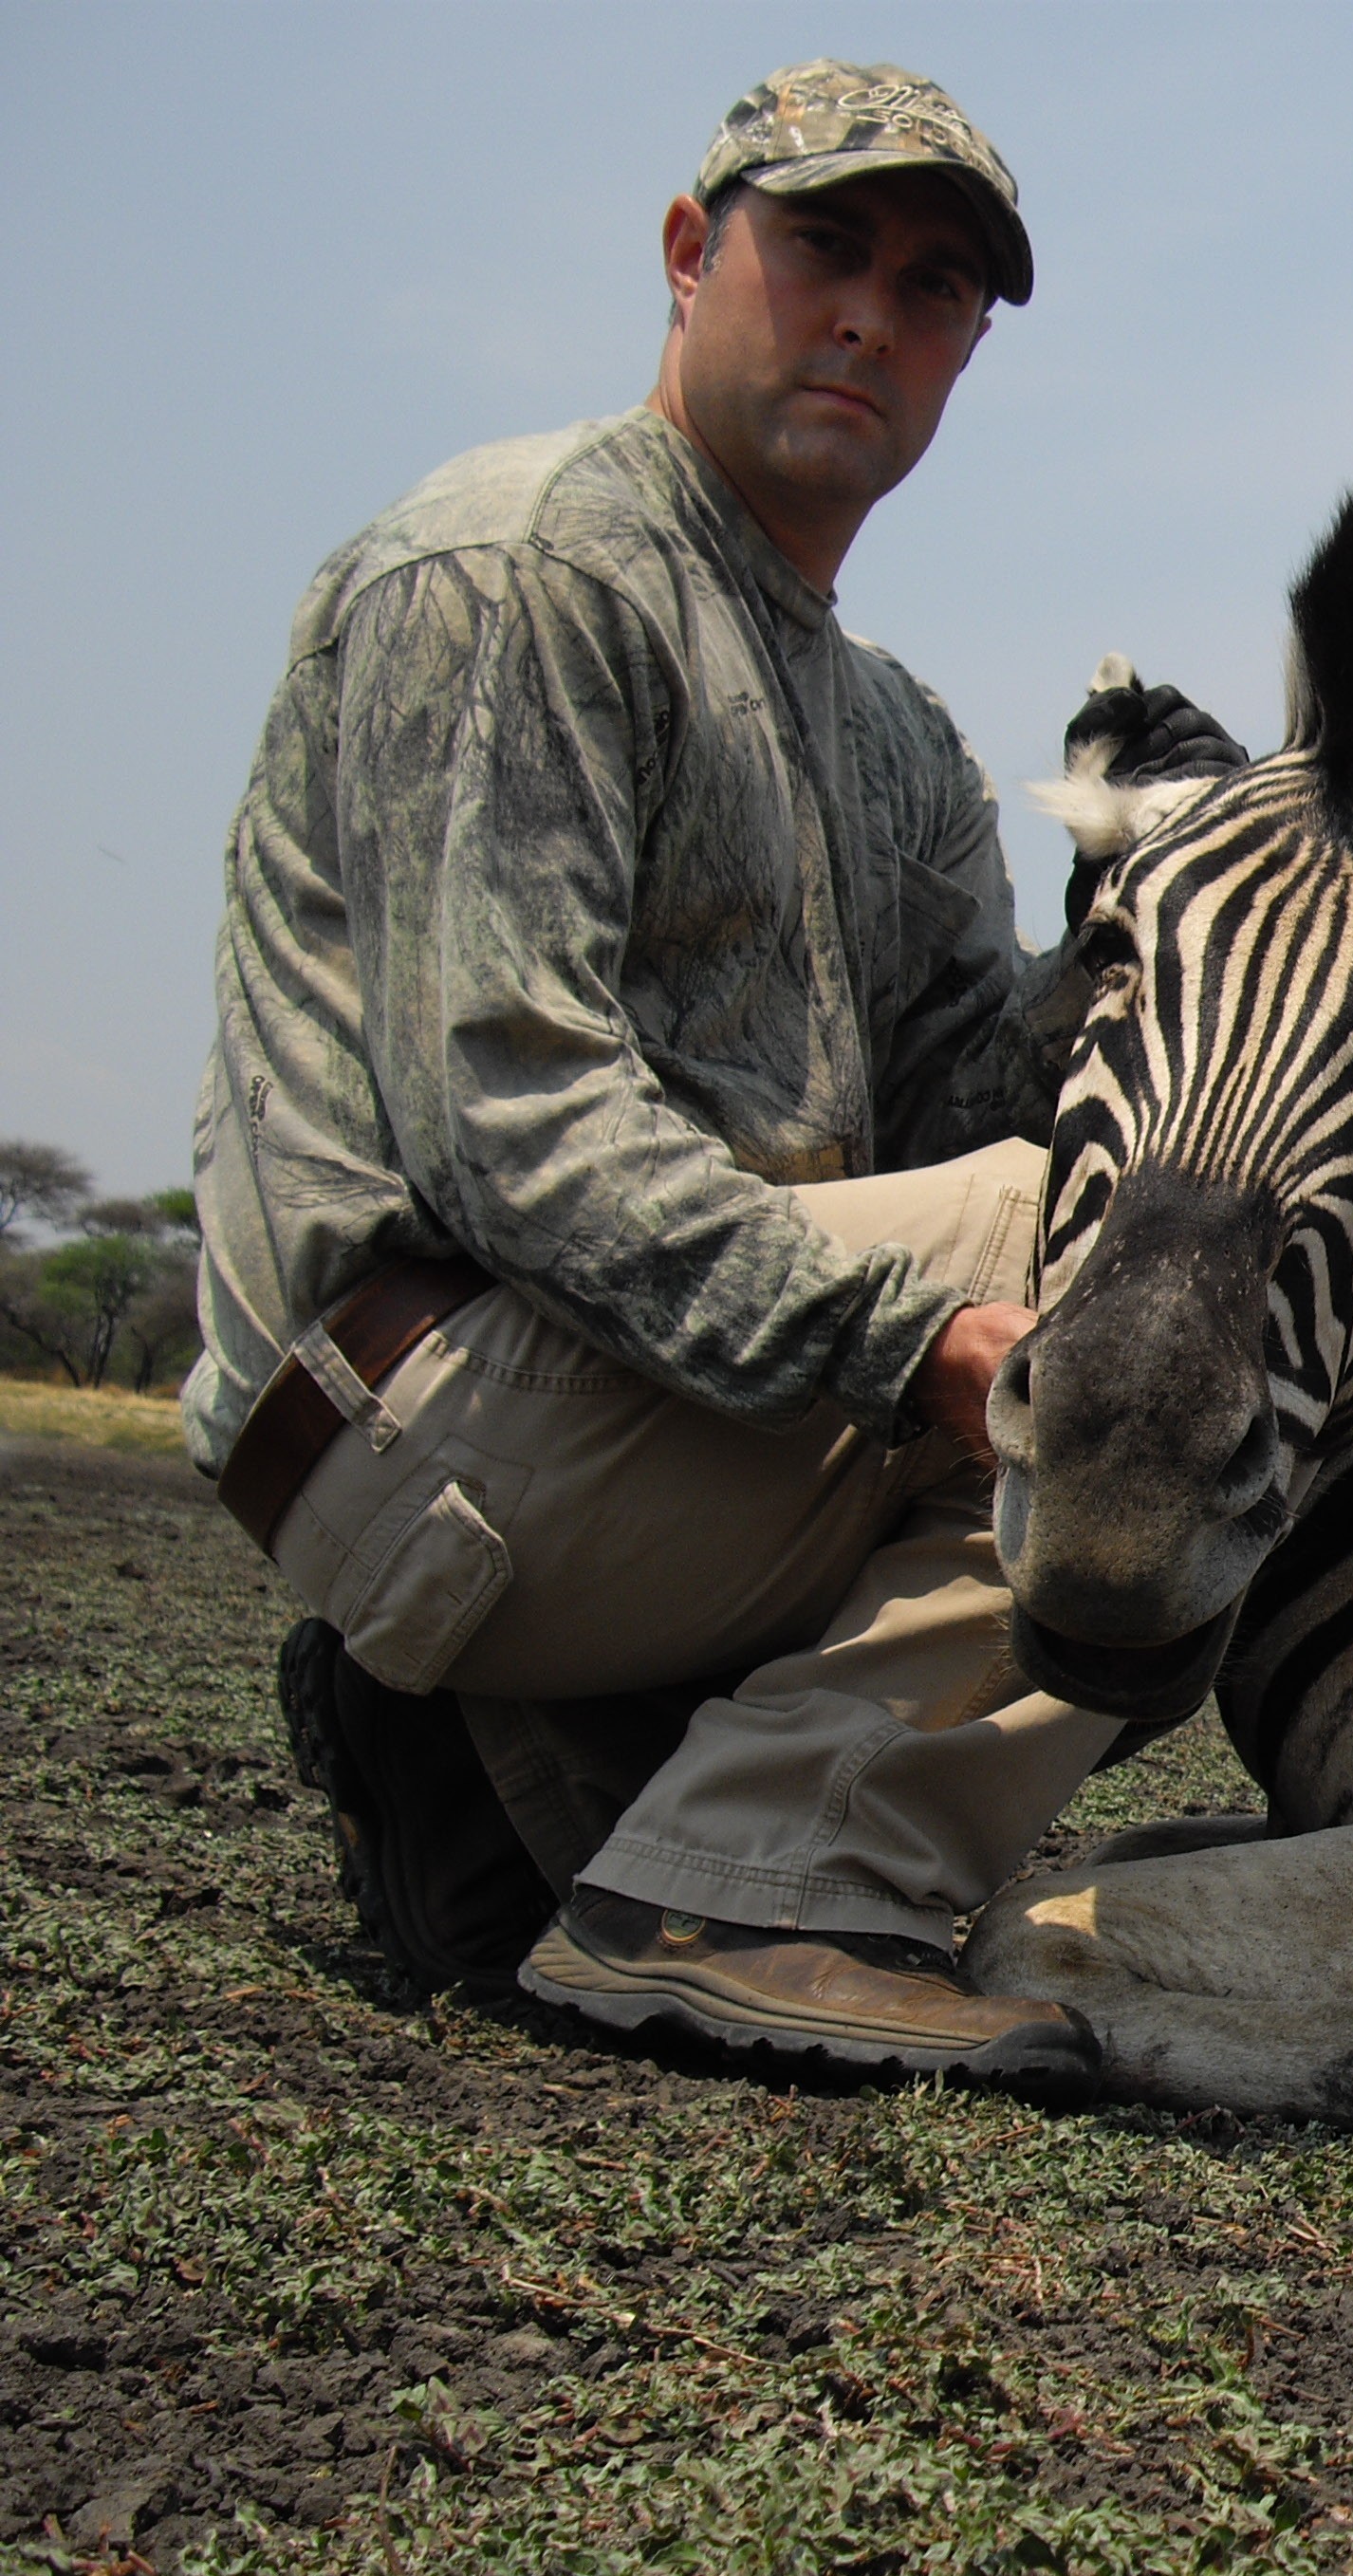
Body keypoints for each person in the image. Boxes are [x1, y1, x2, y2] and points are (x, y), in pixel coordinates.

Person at [184, 62, 1240, 2091]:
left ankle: (534, 1795)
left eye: (935, 290)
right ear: (693, 255)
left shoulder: (898, 734)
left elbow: (955, 1109)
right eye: (823, 245)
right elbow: (520, 1136)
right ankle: (742, 1886)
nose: (870, 315)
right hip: (417, 1419)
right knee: (1174, 1256)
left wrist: (1134, 913)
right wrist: (928, 1352)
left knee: (1120, 1201)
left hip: (604, 1439)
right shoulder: (517, 570)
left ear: (964, 354)